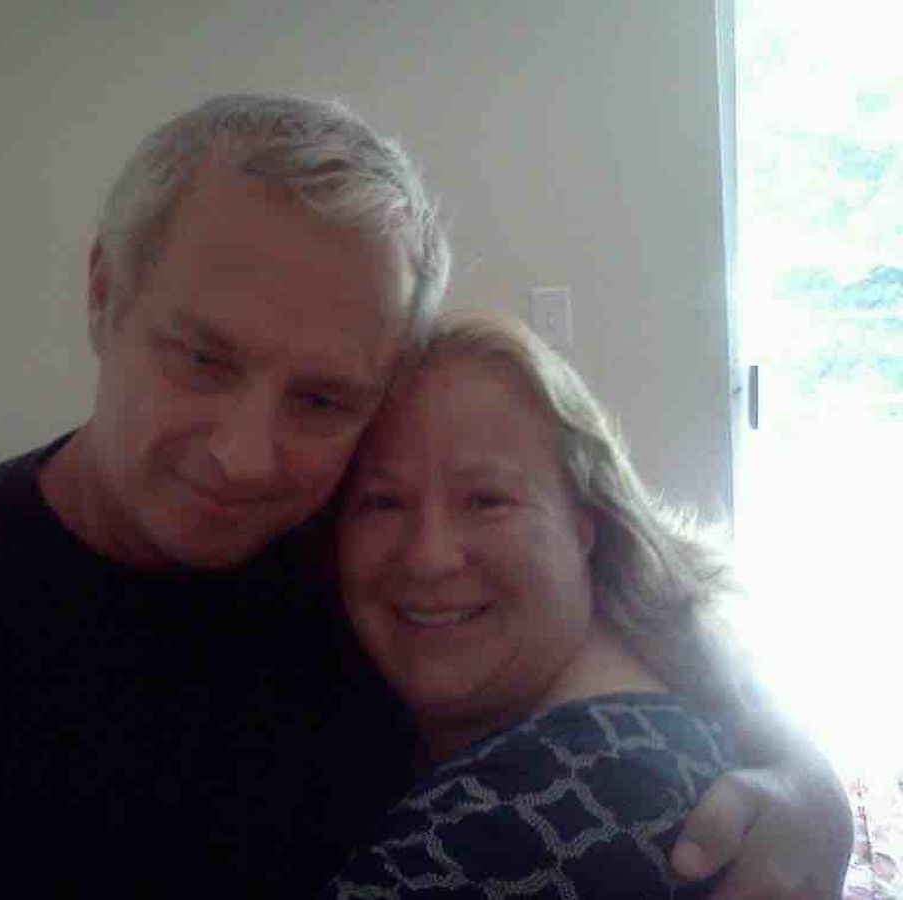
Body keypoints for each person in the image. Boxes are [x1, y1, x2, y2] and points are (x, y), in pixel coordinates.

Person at [0, 94, 848, 898]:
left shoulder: (353, 564)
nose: (248, 458)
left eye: (322, 399)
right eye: (203, 358)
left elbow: (642, 597)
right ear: (105, 292)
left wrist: (807, 779)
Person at [322, 312, 770, 897]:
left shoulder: (546, 817)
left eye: (487, 500)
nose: (429, 556)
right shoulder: (646, 708)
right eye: (382, 502)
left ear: (585, 524)